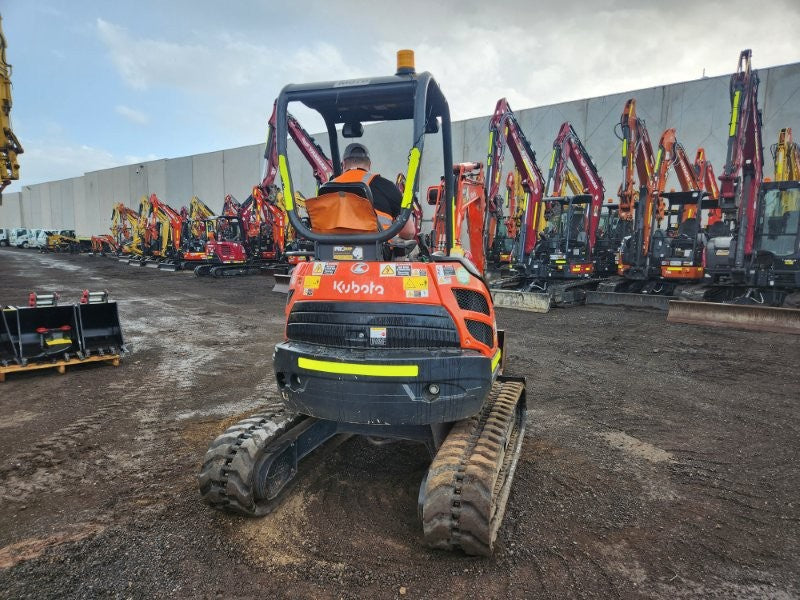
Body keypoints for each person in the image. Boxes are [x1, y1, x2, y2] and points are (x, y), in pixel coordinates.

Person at [332, 143, 415, 239]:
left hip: (328, 251)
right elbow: (409, 232)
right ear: (369, 165)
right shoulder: (387, 186)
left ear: (344, 164)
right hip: (376, 251)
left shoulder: (325, 190)